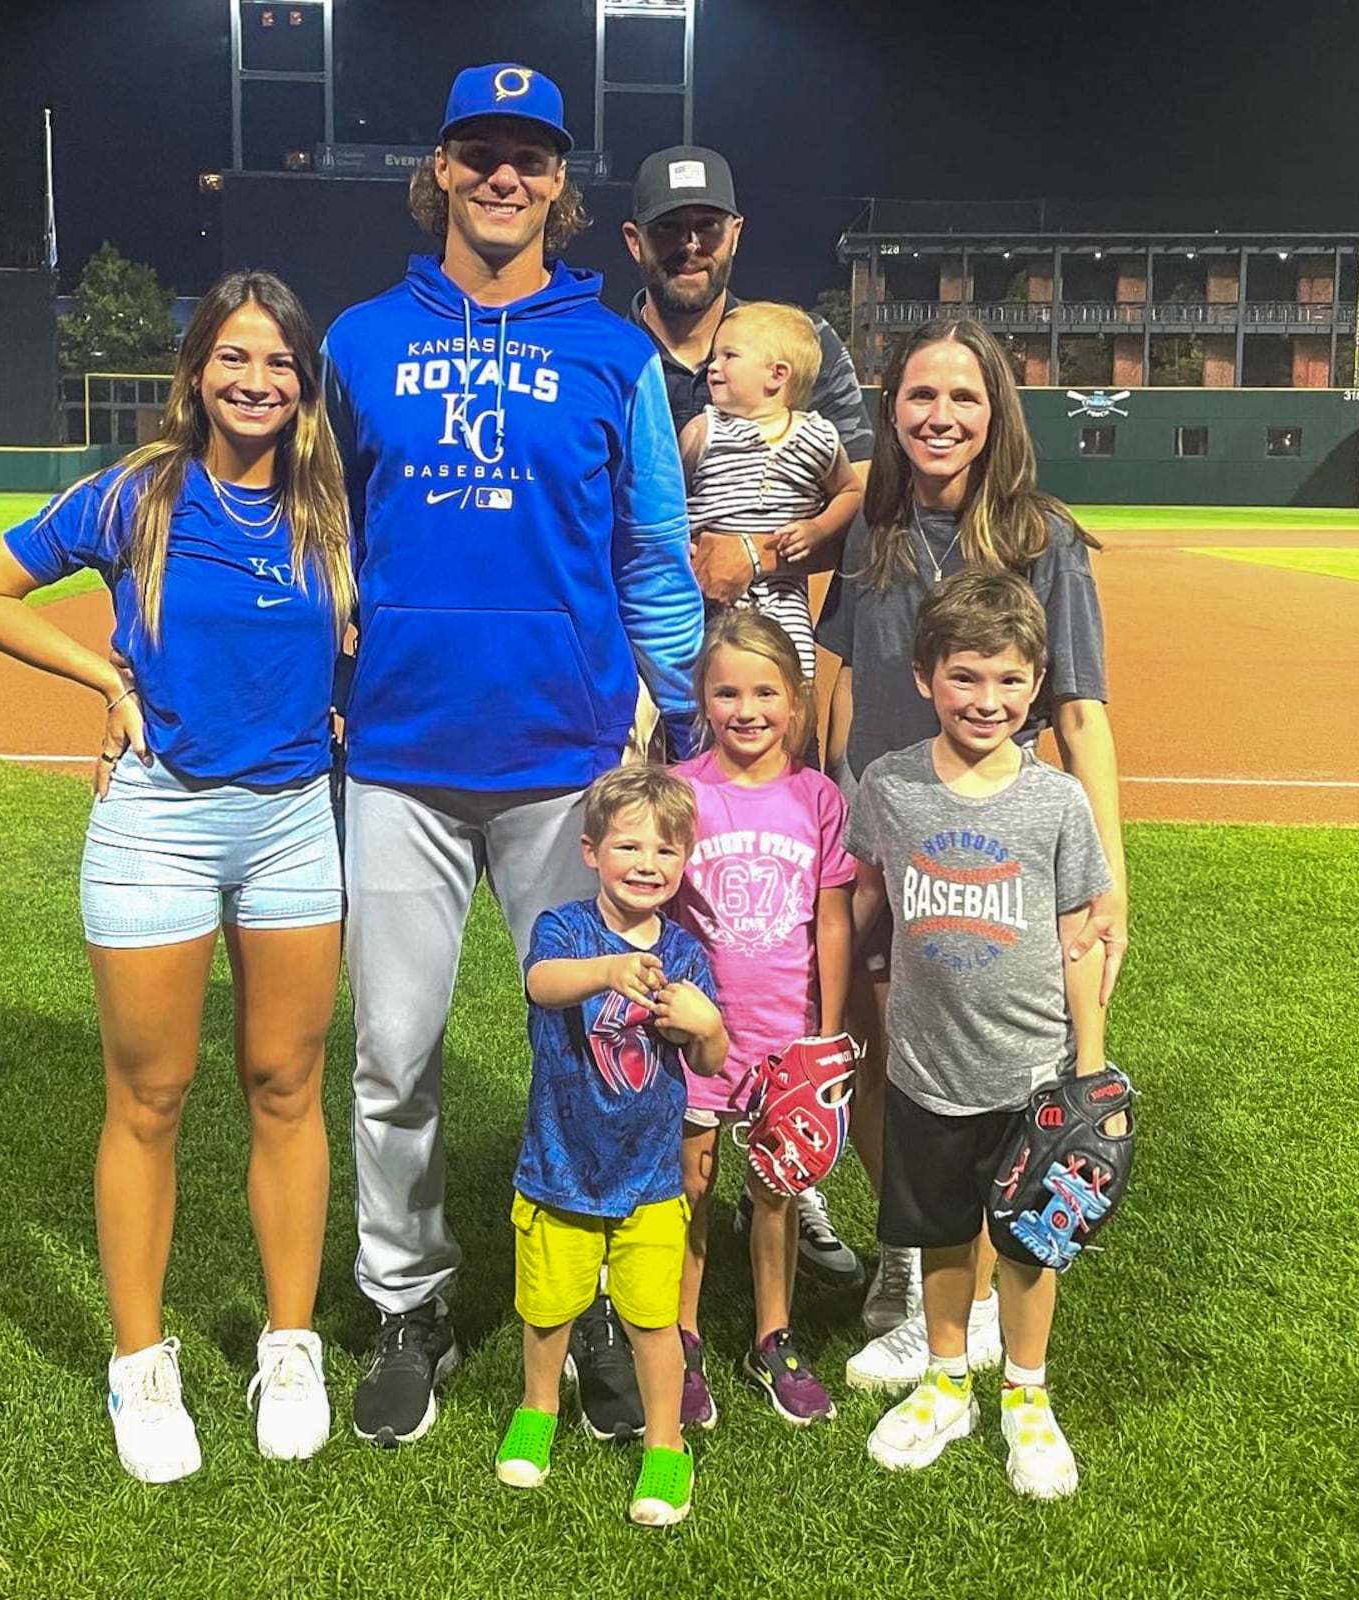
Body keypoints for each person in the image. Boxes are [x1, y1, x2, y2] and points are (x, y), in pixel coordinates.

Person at [321, 63, 702, 1448]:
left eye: (530, 158)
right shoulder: (360, 341)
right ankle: (407, 1300)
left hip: (568, 765)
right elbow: (319, 538)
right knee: (394, 1055)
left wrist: (683, 712)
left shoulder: (613, 354)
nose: (503, 176)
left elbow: (652, 548)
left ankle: (591, 1299)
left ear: (558, 185)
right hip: (401, 758)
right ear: (438, 168)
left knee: (600, 1042)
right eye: (479, 151)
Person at [0, 270, 354, 1482]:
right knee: (150, 1096)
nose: (256, 381)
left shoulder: (333, 507)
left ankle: (289, 1343)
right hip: (158, 819)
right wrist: (103, 678)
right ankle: (140, 1363)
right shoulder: (138, 493)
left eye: (277, 362)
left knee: (286, 1083)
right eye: (234, 357)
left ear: (303, 381)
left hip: (294, 825)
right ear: (197, 369)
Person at [815, 317, 1128, 1380]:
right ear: (890, 409)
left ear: (996, 413)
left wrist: (1108, 884)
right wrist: (824, 805)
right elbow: (845, 677)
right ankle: (912, 1258)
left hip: (990, 850)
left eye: (964, 397)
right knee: (881, 1058)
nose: (940, 416)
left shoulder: (1042, 539)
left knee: (990, 1075)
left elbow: (1079, 713)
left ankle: (981, 1300)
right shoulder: (875, 531)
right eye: (920, 395)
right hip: (881, 835)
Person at [624, 141, 874, 1298]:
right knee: (649, 895)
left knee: (775, 887)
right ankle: (648, 1157)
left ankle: (787, 1155)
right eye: (669, 227)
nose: (690, 243)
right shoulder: (610, 352)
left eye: (707, 225)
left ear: (732, 234)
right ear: (636, 241)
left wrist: (764, 554)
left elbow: (863, 485)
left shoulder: (799, 348)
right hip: (644, 676)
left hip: (758, 673)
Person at [845, 568, 1113, 1498]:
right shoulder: (890, 785)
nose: (986, 699)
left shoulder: (1057, 802)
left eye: (1008, 679)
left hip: (1033, 1072)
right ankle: (947, 1379)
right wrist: (827, 1004)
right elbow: (864, 899)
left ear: (1036, 683)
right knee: (942, 1234)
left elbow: (1080, 938)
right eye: (964, 676)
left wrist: (1089, 1067)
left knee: (1032, 1241)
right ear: (925, 676)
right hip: (926, 1065)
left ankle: (1026, 1394)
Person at [495, 766, 726, 1527]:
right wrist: (609, 971)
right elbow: (542, 984)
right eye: (629, 846)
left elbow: (710, 1062)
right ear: (591, 850)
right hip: (559, 1166)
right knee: (548, 1309)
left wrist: (707, 1026)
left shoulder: (686, 954)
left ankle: (666, 1446)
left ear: (684, 860)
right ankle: (537, 1409)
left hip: (650, 1177)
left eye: (666, 850)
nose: (647, 864)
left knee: (653, 1320)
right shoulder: (564, 929)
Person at [669, 610, 854, 1428]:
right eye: (727, 693)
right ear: (703, 699)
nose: (746, 711)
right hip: (700, 1037)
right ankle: (680, 1336)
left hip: (788, 1036)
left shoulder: (817, 798)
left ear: (796, 700)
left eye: (765, 693)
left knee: (775, 1191)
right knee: (691, 1187)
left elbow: (833, 920)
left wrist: (829, 1033)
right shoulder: (682, 792)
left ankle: (772, 1338)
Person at [679, 300, 863, 679]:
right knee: (710, 678)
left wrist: (819, 528)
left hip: (783, 593)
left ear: (777, 375)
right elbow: (670, 503)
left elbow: (851, 493)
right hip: (709, 594)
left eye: (728, 356)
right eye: (714, 356)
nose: (712, 366)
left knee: (793, 676)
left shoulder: (817, 436)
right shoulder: (703, 430)